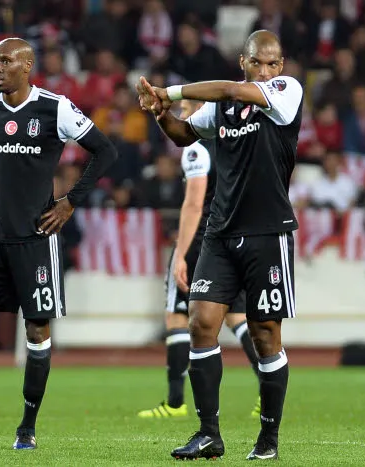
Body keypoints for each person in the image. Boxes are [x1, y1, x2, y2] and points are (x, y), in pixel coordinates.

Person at [0, 37, 117, 451]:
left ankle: (27, 429)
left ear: (27, 65)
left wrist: (69, 202)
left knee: (36, 328)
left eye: (5, 61)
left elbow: (104, 151)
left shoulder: (55, 108)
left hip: (36, 240)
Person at [137, 29, 302, 460]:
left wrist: (172, 91)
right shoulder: (222, 108)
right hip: (221, 231)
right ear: (243, 61)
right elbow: (183, 135)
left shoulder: (286, 92)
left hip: (268, 232)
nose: (265, 71)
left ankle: (268, 438)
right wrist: (161, 112)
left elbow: (231, 89)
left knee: (266, 334)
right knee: (200, 322)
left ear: (281, 67)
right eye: (257, 62)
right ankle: (209, 433)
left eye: (272, 63)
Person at [136, 99, 260, 420]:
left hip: (200, 242)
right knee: (236, 315)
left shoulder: (196, 148)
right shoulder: (232, 144)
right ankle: (268, 383)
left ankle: (175, 402)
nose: (181, 116)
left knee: (177, 316)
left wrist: (180, 254)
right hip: (230, 239)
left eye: (185, 109)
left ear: (201, 110)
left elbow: (193, 204)